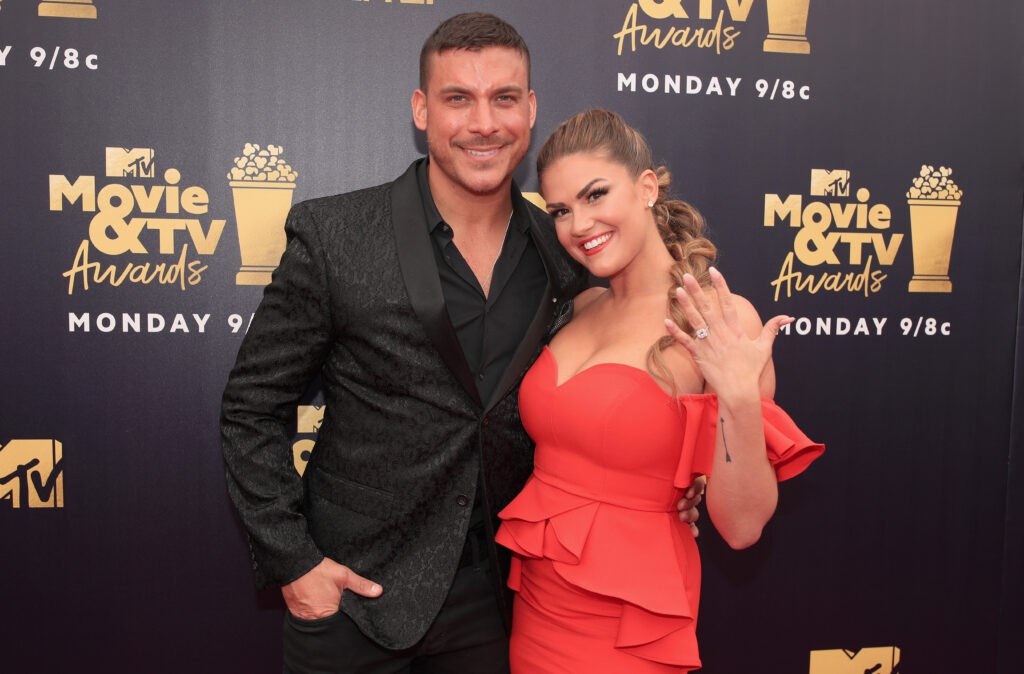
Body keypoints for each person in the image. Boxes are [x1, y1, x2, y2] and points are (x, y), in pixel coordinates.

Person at [221, 15, 702, 673]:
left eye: (504, 98)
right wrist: (296, 563)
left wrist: (680, 478)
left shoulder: (564, 250)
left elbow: (622, 372)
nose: (484, 123)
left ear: (530, 110)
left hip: (502, 604)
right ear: (421, 110)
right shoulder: (335, 236)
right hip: (356, 601)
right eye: (458, 99)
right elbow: (251, 409)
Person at [494, 109, 825, 673]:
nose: (579, 224)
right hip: (535, 609)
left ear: (646, 187)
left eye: (596, 195)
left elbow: (743, 528)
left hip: (629, 630)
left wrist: (739, 399)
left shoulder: (719, 320)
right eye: (561, 211)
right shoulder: (577, 306)